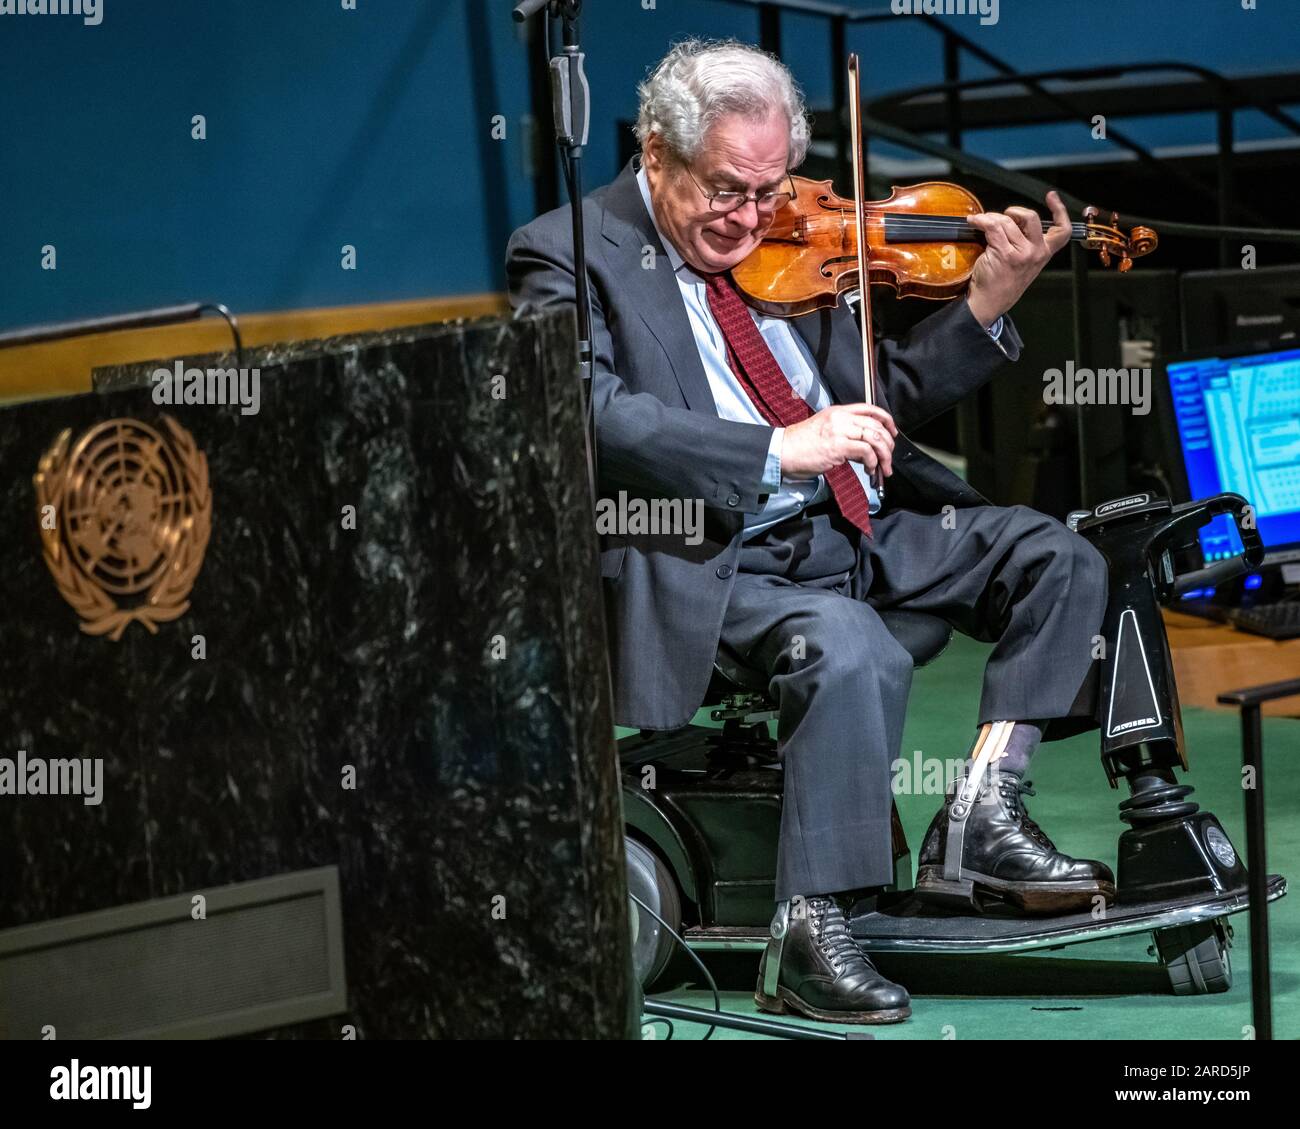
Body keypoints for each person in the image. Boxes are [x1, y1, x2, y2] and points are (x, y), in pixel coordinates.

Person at [507, 38, 1113, 1025]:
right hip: (708, 553)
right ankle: (807, 926)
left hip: (844, 522)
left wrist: (987, 302)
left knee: (1055, 556)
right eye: (724, 190)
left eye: (768, 187)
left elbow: (879, 402)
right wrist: (771, 448)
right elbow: (583, 411)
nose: (751, 217)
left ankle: (981, 814)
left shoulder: (792, 237)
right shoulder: (569, 248)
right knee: (848, 644)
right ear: (654, 153)